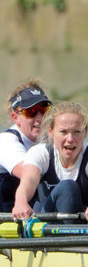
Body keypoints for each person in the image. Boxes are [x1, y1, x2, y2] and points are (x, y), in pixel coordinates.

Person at [12, 101, 88, 224]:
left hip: (80, 227)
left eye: (76, 132)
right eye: (63, 132)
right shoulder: (40, 153)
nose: (70, 139)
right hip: (45, 223)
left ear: (85, 132)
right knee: (68, 187)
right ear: (51, 132)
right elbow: (29, 180)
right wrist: (20, 202)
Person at [0, 78, 52, 212]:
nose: (40, 118)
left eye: (44, 110)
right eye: (31, 112)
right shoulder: (6, 141)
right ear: (15, 117)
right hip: (9, 217)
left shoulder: (50, 139)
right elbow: (29, 173)